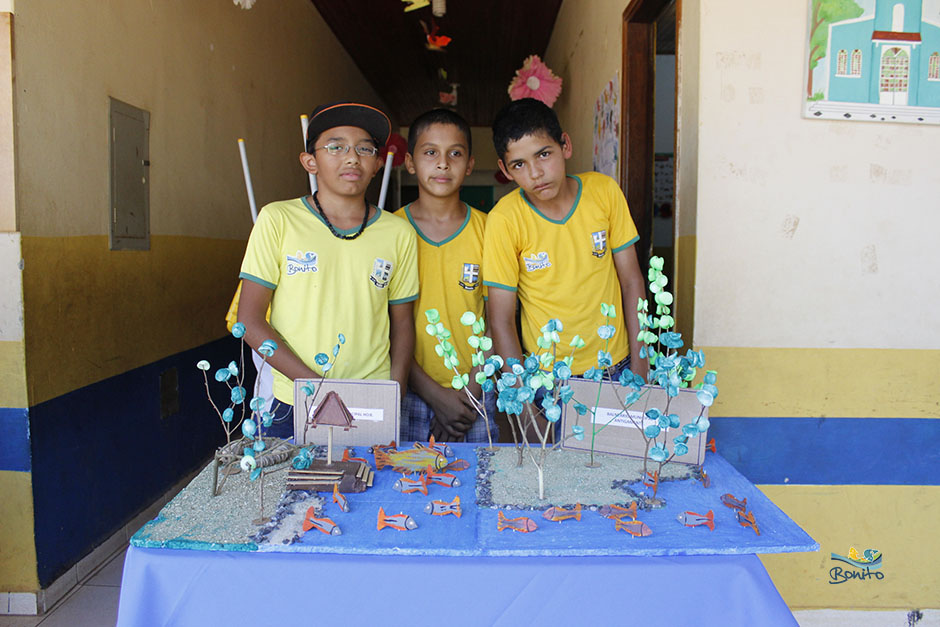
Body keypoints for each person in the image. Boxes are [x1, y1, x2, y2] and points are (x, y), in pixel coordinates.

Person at [238, 102, 419, 439]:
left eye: (365, 148)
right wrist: (315, 387)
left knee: (368, 487)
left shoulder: (398, 233)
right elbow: (248, 320)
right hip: (292, 398)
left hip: (371, 398)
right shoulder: (278, 220)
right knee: (292, 490)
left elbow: (402, 324)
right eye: (336, 147)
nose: (352, 157)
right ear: (310, 162)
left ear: (378, 164)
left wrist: (395, 389)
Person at [483, 98, 649, 395]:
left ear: (565, 145)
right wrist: (523, 406)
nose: (535, 173)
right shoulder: (504, 219)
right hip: (548, 380)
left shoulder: (604, 192)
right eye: (519, 164)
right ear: (505, 170)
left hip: (619, 366)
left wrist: (641, 369)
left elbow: (631, 280)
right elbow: (501, 318)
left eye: (543, 154)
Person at [394, 109, 499, 443]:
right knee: (406, 485)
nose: (443, 163)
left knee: (479, 487)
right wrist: (435, 395)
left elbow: (498, 319)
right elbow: (385, 326)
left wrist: (468, 393)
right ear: (410, 163)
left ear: (469, 164)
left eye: (455, 153)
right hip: (407, 389)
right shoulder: (390, 232)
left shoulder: (491, 231)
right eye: (430, 153)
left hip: (478, 391)